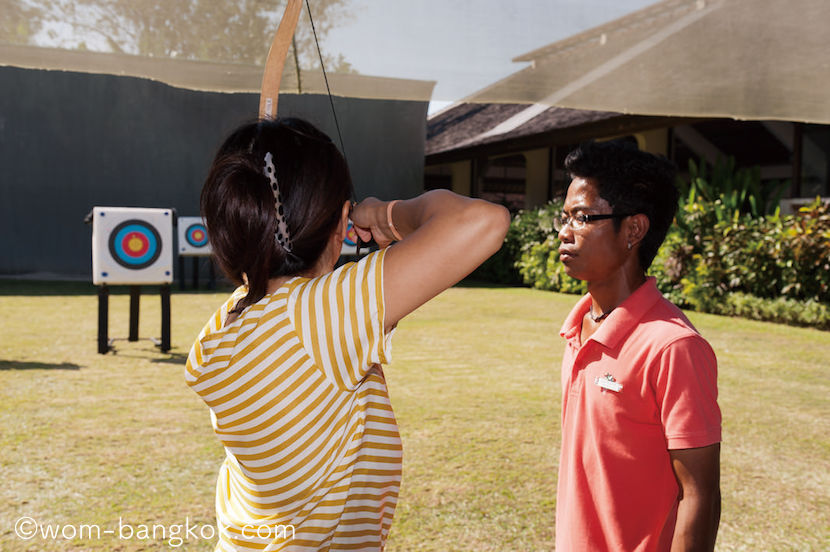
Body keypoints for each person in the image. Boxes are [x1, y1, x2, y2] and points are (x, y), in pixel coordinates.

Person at [185, 117, 510, 551]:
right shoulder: (315, 317)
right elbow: (482, 221)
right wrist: (381, 213)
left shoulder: (223, 329)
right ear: (340, 218)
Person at [554, 140, 722, 551]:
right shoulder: (578, 328)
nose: (564, 231)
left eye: (582, 217)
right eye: (565, 218)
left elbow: (699, 495)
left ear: (633, 229)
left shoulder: (673, 346)